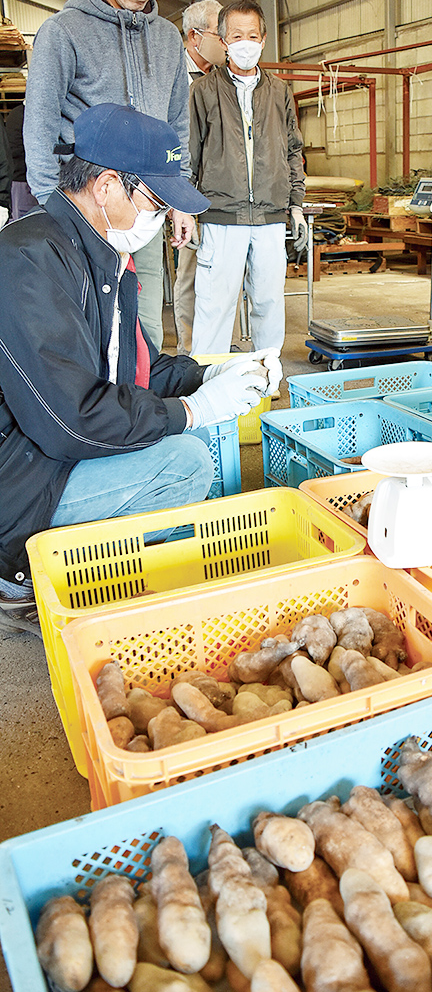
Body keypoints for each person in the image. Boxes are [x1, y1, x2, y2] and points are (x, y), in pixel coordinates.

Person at [0, 103, 276, 634]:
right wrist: (191, 413)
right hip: (20, 478)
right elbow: (69, 419)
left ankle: (97, 577)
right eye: (155, 201)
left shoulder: (101, 256)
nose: (164, 218)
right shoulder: (28, 258)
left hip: (47, 459)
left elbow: (140, 371)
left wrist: (213, 375)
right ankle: (19, 579)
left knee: (180, 453)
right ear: (106, 186)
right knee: (183, 464)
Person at [22, 0, 192, 351]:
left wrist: (179, 200)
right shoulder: (62, 33)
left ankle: (146, 414)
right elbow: (38, 127)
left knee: (144, 334)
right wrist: (52, 208)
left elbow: (177, 125)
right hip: (86, 214)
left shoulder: (168, 38)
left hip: (146, 211)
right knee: (84, 333)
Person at [189, 0, 307, 355]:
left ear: (264, 39)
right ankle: (208, 387)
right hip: (222, 217)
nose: (245, 43)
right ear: (223, 41)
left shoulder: (279, 92)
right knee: (215, 308)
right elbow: (189, 154)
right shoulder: (204, 92)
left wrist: (296, 205)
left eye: (252, 35)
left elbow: (293, 149)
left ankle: (266, 382)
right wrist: (187, 210)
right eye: (236, 35)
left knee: (269, 306)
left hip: (271, 217)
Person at [173, 0, 224, 356]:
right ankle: (190, 352)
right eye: (220, 34)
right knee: (190, 274)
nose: (227, 42)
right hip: (188, 192)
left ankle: (222, 351)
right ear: (195, 37)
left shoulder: (226, 78)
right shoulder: (173, 76)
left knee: (225, 278)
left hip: (224, 195)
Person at [5, 102, 35, 220]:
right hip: (24, 180)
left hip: (17, 179)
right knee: (27, 219)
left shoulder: (15, 113)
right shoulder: (25, 115)